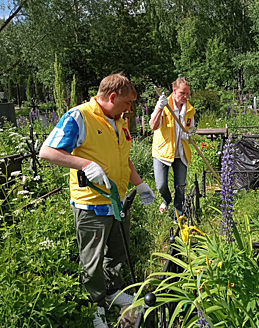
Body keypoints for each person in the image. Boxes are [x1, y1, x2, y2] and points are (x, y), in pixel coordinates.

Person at [39, 74, 155, 328]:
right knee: (91, 260)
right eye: (126, 103)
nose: (130, 110)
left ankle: (113, 292)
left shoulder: (118, 121)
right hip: (91, 203)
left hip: (118, 202)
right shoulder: (79, 117)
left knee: (117, 252)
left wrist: (140, 184)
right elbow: (47, 151)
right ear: (112, 97)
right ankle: (95, 306)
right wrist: (85, 164)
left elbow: (122, 157)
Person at [149, 77, 196, 219]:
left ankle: (178, 214)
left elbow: (191, 127)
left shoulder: (189, 109)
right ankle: (166, 199)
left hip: (181, 152)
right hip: (162, 151)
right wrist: (159, 107)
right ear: (174, 91)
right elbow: (153, 126)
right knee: (161, 185)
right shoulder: (165, 106)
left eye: (187, 94)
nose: (185, 96)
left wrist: (190, 133)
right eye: (182, 93)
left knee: (180, 187)